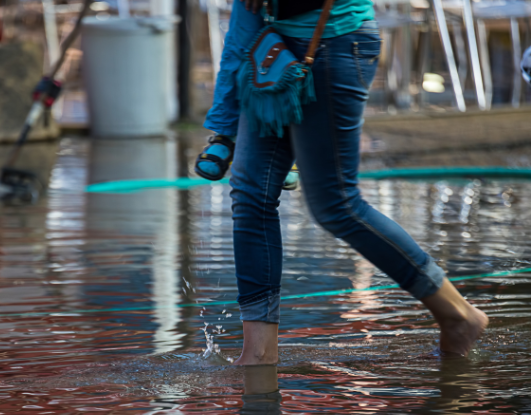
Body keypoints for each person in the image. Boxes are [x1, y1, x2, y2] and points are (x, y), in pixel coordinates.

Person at [202, 0, 488, 365]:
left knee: (336, 205)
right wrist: (224, 127)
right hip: (271, 53)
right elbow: (243, 22)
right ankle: (258, 353)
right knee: (250, 193)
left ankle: (458, 313)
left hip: (334, 45)